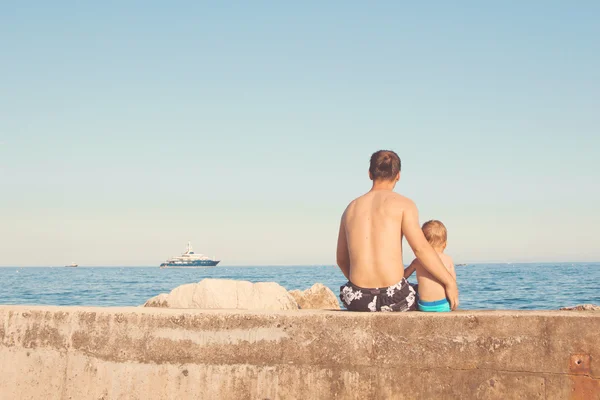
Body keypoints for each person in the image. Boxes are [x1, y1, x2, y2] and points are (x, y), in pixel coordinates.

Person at [337, 150, 458, 312]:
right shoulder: (404, 204)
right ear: (398, 175)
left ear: (370, 174)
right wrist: (450, 283)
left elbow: (341, 259)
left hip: (357, 298)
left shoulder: (350, 209)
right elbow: (420, 249)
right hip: (394, 297)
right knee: (432, 292)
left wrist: (363, 288)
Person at [404, 220, 455, 312]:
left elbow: (403, 277)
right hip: (442, 304)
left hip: (424, 305)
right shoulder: (448, 259)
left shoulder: (417, 261)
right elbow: (452, 282)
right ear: (445, 244)